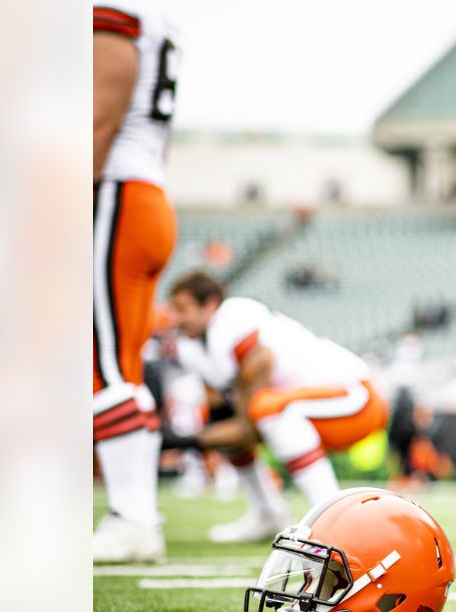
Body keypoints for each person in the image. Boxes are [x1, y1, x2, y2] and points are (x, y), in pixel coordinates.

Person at [163, 271, 389, 543]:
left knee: (269, 410)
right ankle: (267, 514)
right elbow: (225, 417)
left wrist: (176, 440)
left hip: (356, 398)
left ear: (210, 304)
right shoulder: (194, 348)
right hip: (316, 407)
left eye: (182, 309)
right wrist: (198, 437)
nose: (175, 318)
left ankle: (332, 520)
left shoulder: (236, 325)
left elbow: (247, 428)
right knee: (240, 428)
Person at [92, 1, 182, 563]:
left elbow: (100, 115)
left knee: (102, 367)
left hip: (115, 194)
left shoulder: (112, 11)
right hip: (140, 193)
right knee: (119, 367)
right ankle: (137, 513)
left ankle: (133, 518)